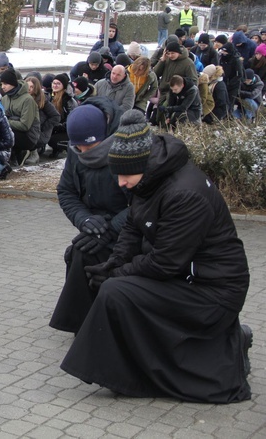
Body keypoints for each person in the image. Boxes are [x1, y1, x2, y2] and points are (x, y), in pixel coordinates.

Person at [61, 109, 252, 403]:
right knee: (93, 260)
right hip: (187, 275)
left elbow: (164, 263)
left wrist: (118, 274)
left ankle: (128, 373)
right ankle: (115, 359)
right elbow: (134, 228)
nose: (121, 183)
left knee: (117, 290)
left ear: (143, 167)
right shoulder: (151, 179)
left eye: (125, 175)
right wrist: (114, 262)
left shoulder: (183, 194)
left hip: (213, 290)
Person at [50, 105, 129, 334]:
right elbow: (66, 192)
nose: (83, 150)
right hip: (95, 224)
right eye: (78, 146)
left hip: (127, 228)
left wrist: (112, 229)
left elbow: (144, 202)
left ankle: (91, 321)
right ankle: (81, 321)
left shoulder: (126, 150)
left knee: (87, 254)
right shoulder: (76, 154)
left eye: (89, 145)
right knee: (78, 251)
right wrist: (83, 220)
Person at [1, 69, 40, 167]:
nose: (2, 87)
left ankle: (24, 152)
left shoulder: (27, 99)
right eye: (2, 83)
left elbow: (25, 125)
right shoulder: (5, 98)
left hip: (29, 136)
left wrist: (6, 121)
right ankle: (12, 155)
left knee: (7, 133)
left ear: (13, 83)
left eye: (6, 84)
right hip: (15, 130)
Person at [48, 73, 77, 158]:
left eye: (58, 84)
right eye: (54, 83)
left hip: (67, 130)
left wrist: (58, 126)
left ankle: (61, 148)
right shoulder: (49, 97)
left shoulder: (69, 100)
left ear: (63, 85)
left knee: (52, 140)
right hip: (54, 127)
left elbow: (72, 120)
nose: (55, 85)